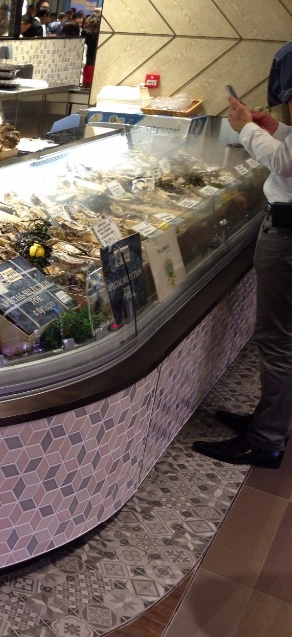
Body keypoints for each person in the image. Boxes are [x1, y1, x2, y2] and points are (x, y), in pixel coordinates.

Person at [193, 41, 292, 470]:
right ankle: (270, 422)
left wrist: (246, 129)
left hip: (288, 235)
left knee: (279, 342)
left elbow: (285, 164)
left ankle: (266, 440)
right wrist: (276, 128)